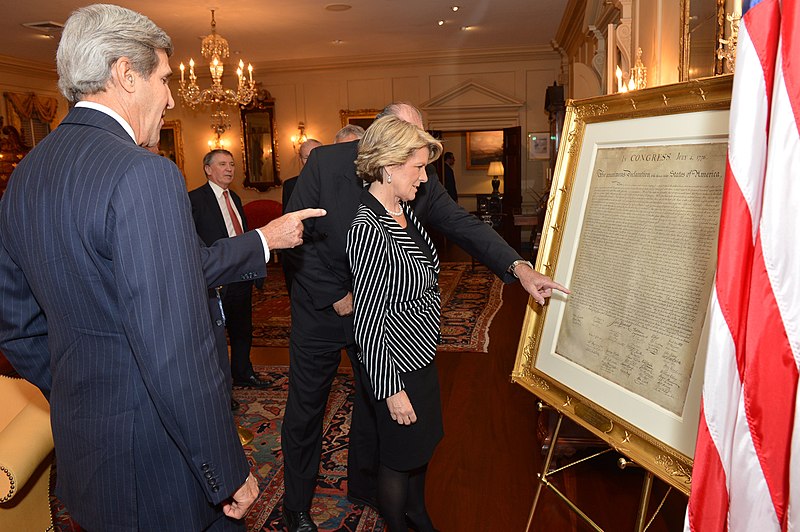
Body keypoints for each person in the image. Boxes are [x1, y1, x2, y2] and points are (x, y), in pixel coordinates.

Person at [0, 5, 323, 530]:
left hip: (88, 455)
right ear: (126, 75)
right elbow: (175, 346)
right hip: (163, 465)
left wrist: (88, 390)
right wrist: (225, 466)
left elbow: (16, 325)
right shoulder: (144, 175)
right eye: (166, 78)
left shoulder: (28, 173)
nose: (172, 97)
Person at [282, 102, 568, 531]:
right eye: (412, 146)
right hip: (325, 308)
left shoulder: (417, 175)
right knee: (307, 410)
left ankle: (366, 487)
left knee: (373, 401)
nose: (421, 162)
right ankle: (297, 506)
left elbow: (457, 222)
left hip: (379, 309)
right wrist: (337, 294)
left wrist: (519, 267)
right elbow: (295, 235)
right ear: (385, 139)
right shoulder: (326, 163)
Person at [347, 115, 444, 531]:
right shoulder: (368, 226)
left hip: (421, 357)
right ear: (388, 166)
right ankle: (399, 524)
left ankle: (417, 514)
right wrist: (391, 391)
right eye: (417, 167)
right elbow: (367, 318)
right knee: (397, 460)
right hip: (396, 368)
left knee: (419, 450)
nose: (423, 177)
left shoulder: (401, 210)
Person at [190, 149, 267, 389]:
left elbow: (239, 233)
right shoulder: (194, 199)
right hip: (216, 276)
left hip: (241, 273)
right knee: (216, 335)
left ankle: (244, 372)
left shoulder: (234, 197)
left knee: (242, 328)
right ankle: (220, 386)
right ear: (207, 169)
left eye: (232, 164)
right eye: (222, 164)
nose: (229, 169)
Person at [282, 139, 322, 293]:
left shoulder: (333, 181)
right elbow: (286, 219)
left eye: (316, 155)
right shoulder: (290, 185)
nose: (312, 161)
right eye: (307, 157)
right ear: (300, 160)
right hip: (300, 248)